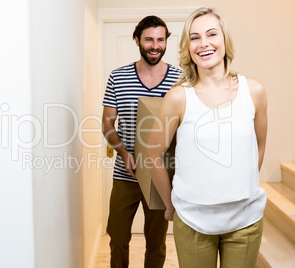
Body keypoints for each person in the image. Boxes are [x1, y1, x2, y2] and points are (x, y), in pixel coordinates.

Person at [147, 7, 268, 268]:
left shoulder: (254, 91)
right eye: (194, 37)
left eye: (211, 34)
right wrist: (170, 204)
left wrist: (241, 186)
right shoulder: (178, 97)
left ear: (224, 39)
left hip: (245, 221)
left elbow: (258, 145)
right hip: (193, 222)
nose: (204, 43)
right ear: (187, 46)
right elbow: (153, 154)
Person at [102, 16, 181, 268]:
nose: (155, 45)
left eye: (160, 39)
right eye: (149, 39)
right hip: (126, 174)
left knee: (156, 242)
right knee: (117, 237)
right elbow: (107, 124)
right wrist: (124, 152)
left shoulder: (180, 80)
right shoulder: (118, 77)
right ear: (137, 40)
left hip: (162, 176)